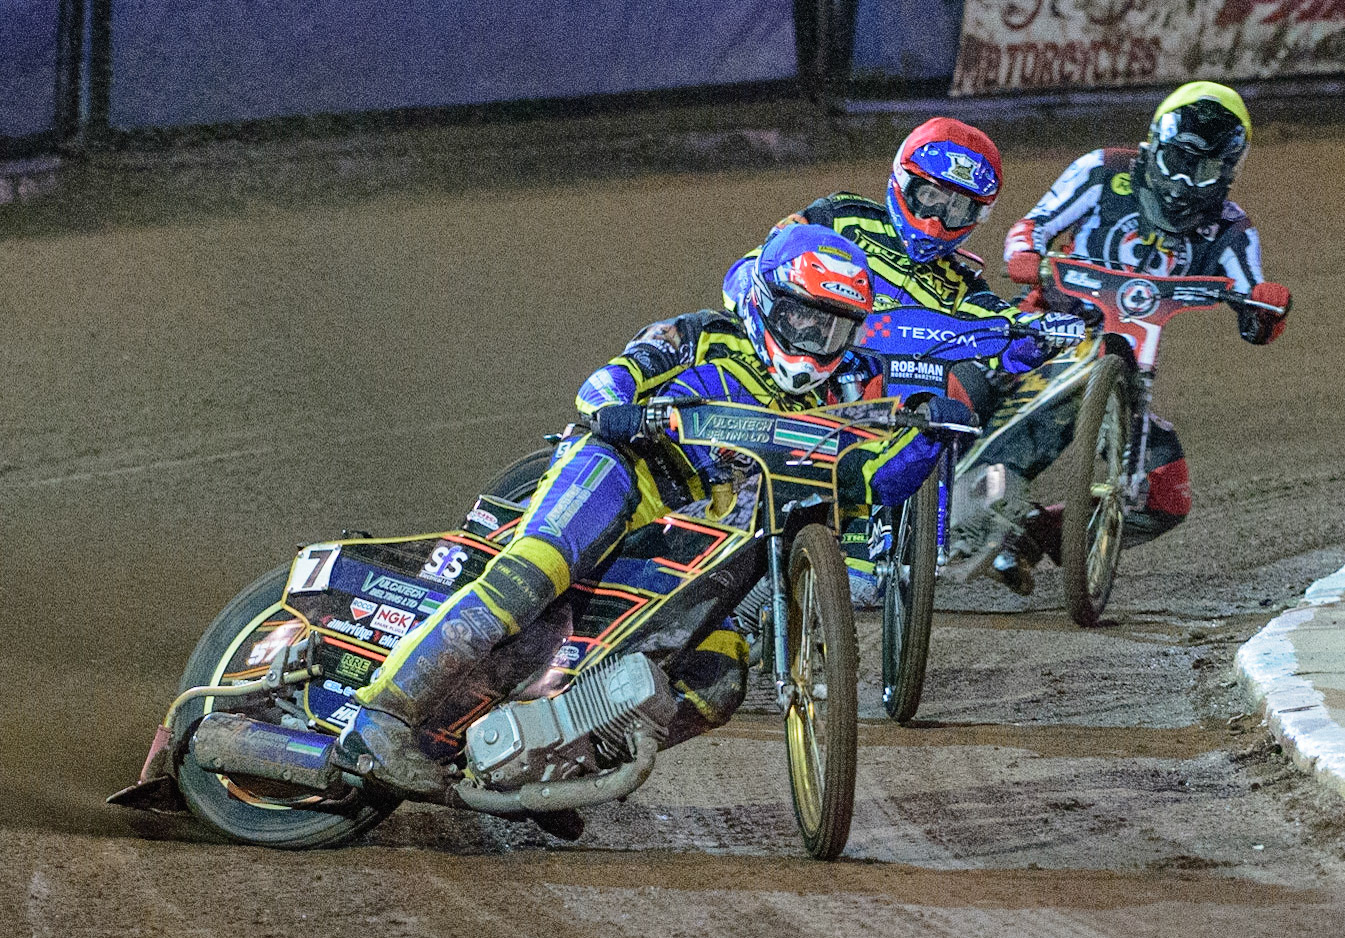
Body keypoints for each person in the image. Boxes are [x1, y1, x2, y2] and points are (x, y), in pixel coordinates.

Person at [334, 224, 972, 796]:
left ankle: (557, 764)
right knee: (539, 567)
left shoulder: (851, 388)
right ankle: (380, 717)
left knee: (718, 679)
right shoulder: (700, 335)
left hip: (701, 544)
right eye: (802, 319)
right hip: (626, 470)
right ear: (764, 302)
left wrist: (929, 439)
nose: (814, 339)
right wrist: (628, 411)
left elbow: (867, 480)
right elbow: (601, 388)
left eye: (831, 327)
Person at [722, 117, 1086, 604]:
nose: (938, 219)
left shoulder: (962, 284)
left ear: (977, 216)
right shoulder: (842, 218)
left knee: (955, 394)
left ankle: (902, 535)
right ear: (901, 180)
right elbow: (754, 266)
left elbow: (1001, 333)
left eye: (957, 207)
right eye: (930, 196)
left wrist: (1037, 335)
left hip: (880, 401)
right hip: (802, 368)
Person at [957, 81, 1293, 594]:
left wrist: (1267, 309)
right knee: (967, 392)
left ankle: (1030, 535)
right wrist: (1029, 258)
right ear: (1155, 146)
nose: (1185, 183)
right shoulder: (1103, 170)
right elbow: (1033, 226)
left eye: (1203, 170)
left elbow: (1253, 300)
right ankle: (954, 503)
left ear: (1226, 173)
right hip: (1047, 329)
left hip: (1130, 370)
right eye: (1179, 161)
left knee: (1164, 493)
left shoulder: (1230, 229)